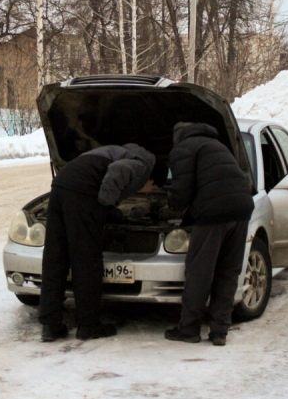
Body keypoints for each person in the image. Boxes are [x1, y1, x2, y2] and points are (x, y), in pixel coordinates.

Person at [39, 144, 167, 342]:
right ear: (151, 178)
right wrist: (104, 205)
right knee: (86, 261)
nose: (149, 192)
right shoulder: (142, 166)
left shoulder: (116, 151)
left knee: (56, 257)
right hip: (81, 193)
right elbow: (117, 172)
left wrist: (107, 210)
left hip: (60, 186)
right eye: (153, 187)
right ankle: (88, 326)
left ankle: (50, 324)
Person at [164, 122, 254, 346]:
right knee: (228, 271)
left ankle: (188, 329)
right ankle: (219, 331)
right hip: (242, 209)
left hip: (213, 213)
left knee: (200, 272)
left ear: (178, 137)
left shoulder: (184, 148)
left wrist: (171, 208)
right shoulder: (218, 145)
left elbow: (182, 191)